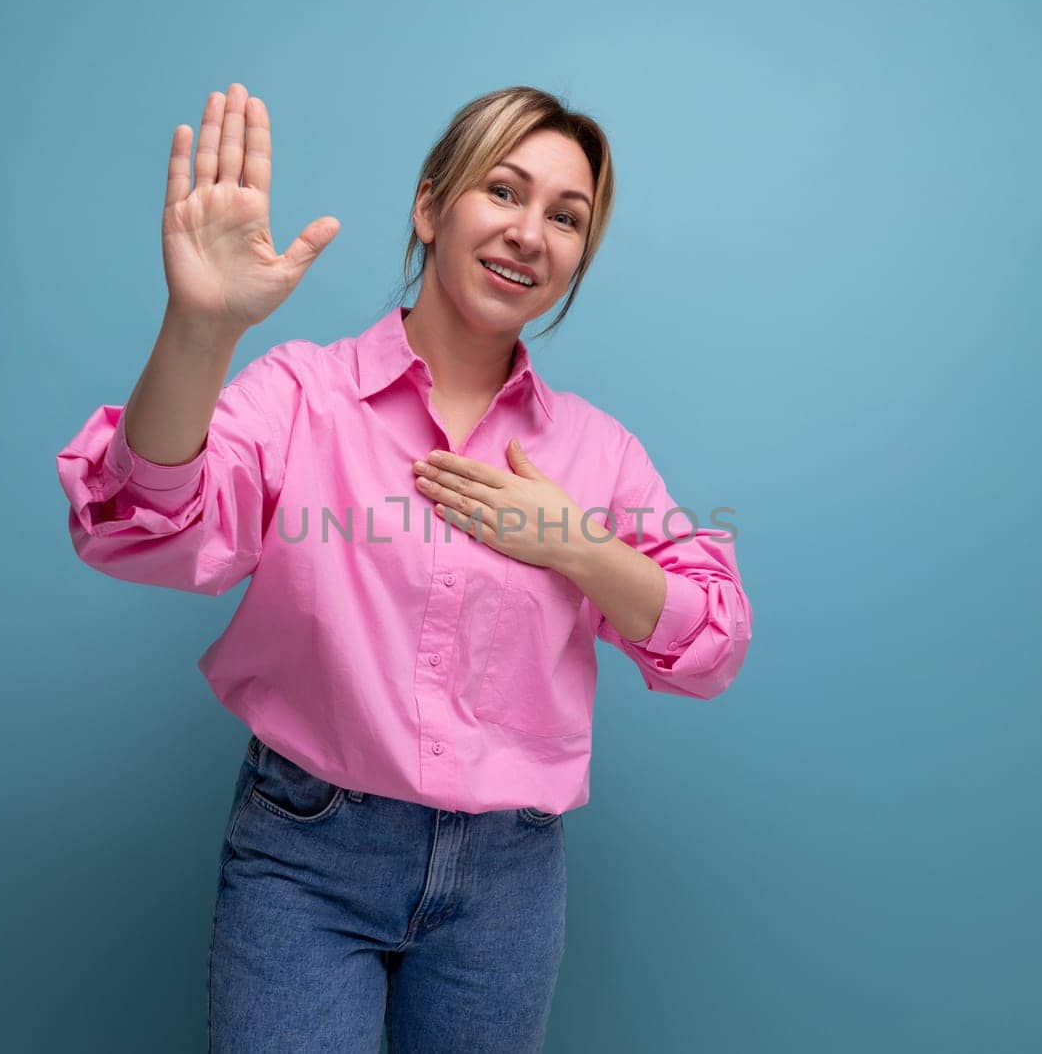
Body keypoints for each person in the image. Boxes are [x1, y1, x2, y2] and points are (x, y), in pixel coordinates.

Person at [55, 82, 753, 1053]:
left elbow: (711, 639)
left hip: (507, 884)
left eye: (566, 216)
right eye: (502, 191)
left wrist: (579, 545)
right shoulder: (305, 393)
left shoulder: (598, 454)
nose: (529, 233)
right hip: (306, 853)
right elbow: (144, 527)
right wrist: (201, 331)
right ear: (431, 205)